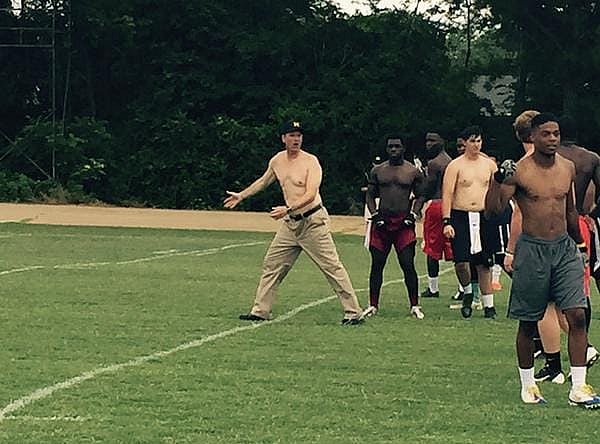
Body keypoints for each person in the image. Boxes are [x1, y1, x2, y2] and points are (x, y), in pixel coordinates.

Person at [485, 112, 600, 407]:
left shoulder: (568, 167)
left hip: (564, 248)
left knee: (577, 314)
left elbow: (570, 210)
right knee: (529, 321)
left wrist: (580, 245)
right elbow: (493, 211)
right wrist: (496, 181)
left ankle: (579, 387)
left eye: (556, 134)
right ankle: (529, 386)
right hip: (533, 249)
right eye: (546, 134)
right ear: (532, 137)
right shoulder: (519, 171)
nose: (552, 139)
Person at [224, 120, 365, 326]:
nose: (296, 139)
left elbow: (310, 193)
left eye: (299, 135)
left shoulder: (311, 161)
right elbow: (263, 181)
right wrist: (242, 195)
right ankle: (260, 311)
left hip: (312, 222)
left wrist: (287, 208)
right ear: (283, 138)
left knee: (332, 267)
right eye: (291, 135)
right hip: (290, 225)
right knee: (272, 264)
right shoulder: (277, 160)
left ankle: (353, 312)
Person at [530, 115, 600, 383]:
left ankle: (563, 357)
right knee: (578, 290)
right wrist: (592, 213)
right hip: (579, 222)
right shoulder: (588, 159)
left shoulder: (547, 160)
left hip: (549, 227)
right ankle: (578, 349)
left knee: (550, 297)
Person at [362, 136, 426, 319]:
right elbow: (370, 195)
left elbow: (421, 195)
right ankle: (373, 304)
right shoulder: (378, 170)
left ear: (403, 148)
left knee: (407, 264)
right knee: (377, 264)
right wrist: (375, 215)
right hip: (382, 222)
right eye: (390, 147)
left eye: (397, 146)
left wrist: (413, 214)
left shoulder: (412, 171)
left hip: (403, 223)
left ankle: (414, 305)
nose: (393, 150)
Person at [442, 125, 498, 319]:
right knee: (461, 262)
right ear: (465, 143)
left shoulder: (489, 165)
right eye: (472, 141)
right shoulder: (455, 165)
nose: (476, 145)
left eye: (479, 141)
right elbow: (448, 193)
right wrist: (447, 221)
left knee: (484, 262)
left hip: (483, 215)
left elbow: (496, 191)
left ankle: (489, 305)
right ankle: (467, 292)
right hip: (461, 215)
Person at [419, 132, 454, 299]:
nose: (428, 144)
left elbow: (429, 187)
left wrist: (420, 196)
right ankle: (463, 288)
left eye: (432, 141)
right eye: (427, 141)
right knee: (453, 247)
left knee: (432, 247)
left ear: (441, 142)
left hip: (436, 203)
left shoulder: (434, 163)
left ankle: (433, 288)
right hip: (451, 205)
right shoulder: (451, 161)